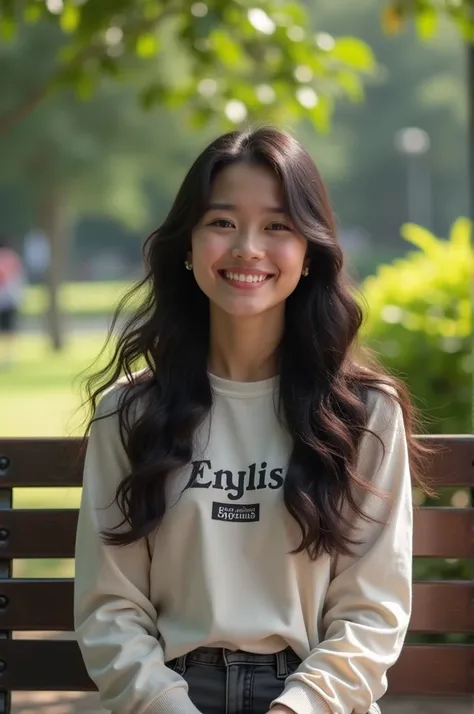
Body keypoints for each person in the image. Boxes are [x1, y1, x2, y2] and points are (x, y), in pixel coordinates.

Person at [74, 126, 432, 714]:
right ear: (187, 246)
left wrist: (298, 708)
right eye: (221, 222)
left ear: (310, 252)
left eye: (277, 226)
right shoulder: (130, 414)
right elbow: (109, 607)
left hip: (313, 699)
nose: (247, 247)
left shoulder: (364, 415)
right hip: (172, 697)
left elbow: (371, 612)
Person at [0, 237, 25, 368]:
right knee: (9, 329)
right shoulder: (13, 257)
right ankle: (8, 356)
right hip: (10, 297)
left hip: (5, 297)